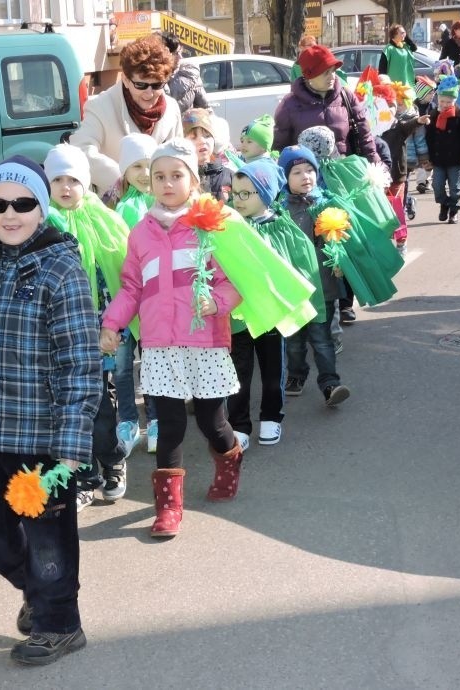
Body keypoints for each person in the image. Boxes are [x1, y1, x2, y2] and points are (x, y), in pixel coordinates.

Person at [0, 155, 102, 665]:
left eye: (23, 203)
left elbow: (81, 360)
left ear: (41, 209)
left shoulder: (61, 268)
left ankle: (60, 624)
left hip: (44, 440)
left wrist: (70, 448)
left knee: (48, 540)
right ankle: (40, 595)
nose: (10, 213)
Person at [100, 138, 244, 538]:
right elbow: (130, 287)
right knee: (170, 424)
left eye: (176, 175)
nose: (166, 183)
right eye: (158, 176)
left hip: (205, 342)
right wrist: (111, 324)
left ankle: (230, 461)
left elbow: (235, 280)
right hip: (161, 345)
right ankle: (168, 508)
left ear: (194, 181)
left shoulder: (211, 225)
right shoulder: (141, 233)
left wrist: (218, 302)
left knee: (214, 423)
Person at [42, 143, 132, 510]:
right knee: (64, 410)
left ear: (87, 183)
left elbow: (120, 278)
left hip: (96, 334)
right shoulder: (39, 221)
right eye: (57, 179)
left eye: (74, 180)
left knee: (99, 407)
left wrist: (112, 329)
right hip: (56, 336)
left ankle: (112, 462)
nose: (66, 187)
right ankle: (82, 475)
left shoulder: (106, 221)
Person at [226, 162, 295, 449]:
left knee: (272, 369)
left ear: (265, 193)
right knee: (237, 372)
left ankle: (271, 417)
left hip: (269, 315)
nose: (238, 201)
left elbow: (294, 265)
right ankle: (239, 424)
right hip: (237, 316)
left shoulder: (279, 225)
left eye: (246, 194)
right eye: (235, 194)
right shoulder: (229, 226)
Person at [277, 146, 351, 407]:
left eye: (310, 170)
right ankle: (296, 375)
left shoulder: (327, 205)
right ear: (284, 177)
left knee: (322, 340)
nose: (305, 176)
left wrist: (340, 263)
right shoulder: (280, 210)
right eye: (296, 171)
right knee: (294, 340)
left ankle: (330, 384)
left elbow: (339, 244)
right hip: (293, 288)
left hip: (323, 286)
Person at [70, 35, 182, 195]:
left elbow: (178, 158)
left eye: (157, 85)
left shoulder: (171, 108)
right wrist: (123, 181)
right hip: (116, 207)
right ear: (126, 80)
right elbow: (81, 150)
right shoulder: (100, 107)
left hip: (160, 205)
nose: (149, 93)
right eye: (141, 85)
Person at [112, 133, 160, 456]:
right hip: (128, 299)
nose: (144, 173)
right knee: (123, 366)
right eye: (136, 166)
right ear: (125, 171)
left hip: (155, 300)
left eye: (149, 165)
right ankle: (128, 421)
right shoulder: (121, 208)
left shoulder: (162, 204)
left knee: (154, 362)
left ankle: (156, 420)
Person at [273, 44, 382, 164]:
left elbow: (364, 134)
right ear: (309, 76)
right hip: (310, 175)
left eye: (333, 71)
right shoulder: (289, 104)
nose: (332, 77)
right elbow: (280, 147)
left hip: (346, 171)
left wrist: (375, 164)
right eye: (325, 72)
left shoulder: (345, 95)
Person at [378, 82, 432, 255]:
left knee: (397, 211)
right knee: (380, 211)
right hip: (377, 178)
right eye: (386, 106)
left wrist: (418, 120)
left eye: (393, 106)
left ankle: (401, 243)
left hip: (397, 176)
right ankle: (384, 243)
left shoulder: (398, 125)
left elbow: (408, 126)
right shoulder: (373, 128)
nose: (390, 109)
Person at [425, 76, 460, 224]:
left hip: (455, 159)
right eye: (442, 101)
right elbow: (428, 137)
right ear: (438, 100)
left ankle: (454, 210)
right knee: (437, 186)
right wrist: (425, 157)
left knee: (455, 187)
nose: (445, 104)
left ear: (454, 101)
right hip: (438, 159)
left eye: (449, 102)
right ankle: (444, 204)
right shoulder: (434, 115)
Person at [182, 107, 232, 201]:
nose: (202, 141)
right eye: (193, 137)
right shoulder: (182, 177)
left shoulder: (228, 175)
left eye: (207, 136)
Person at [160, 31, 210, 113]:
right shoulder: (151, 79)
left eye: (180, 51)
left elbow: (205, 108)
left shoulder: (189, 74)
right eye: (176, 53)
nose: (180, 56)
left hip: (186, 124)